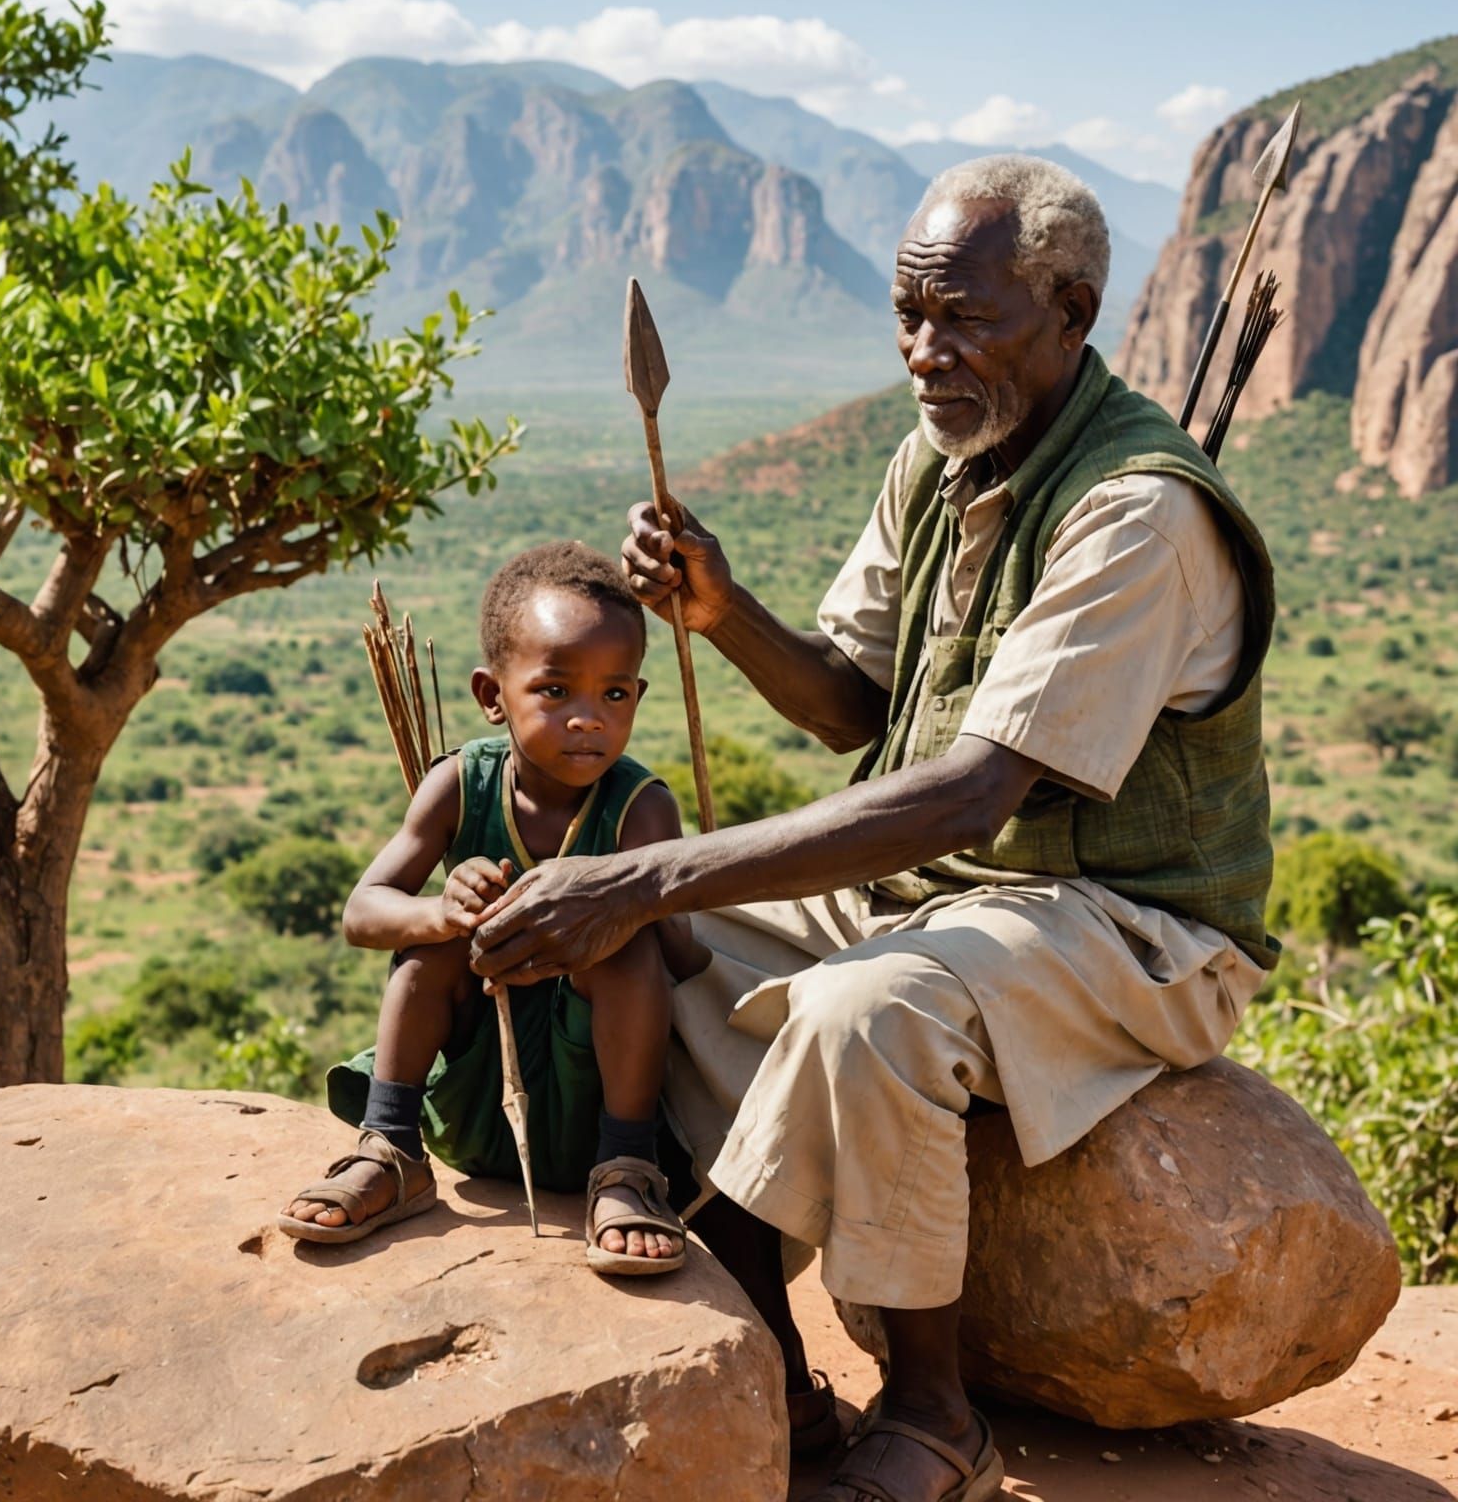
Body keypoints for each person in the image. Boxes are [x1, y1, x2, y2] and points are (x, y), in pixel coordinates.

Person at [465, 155, 1277, 1502]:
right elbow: (852, 709)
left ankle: (934, 1409)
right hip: (950, 892)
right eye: (907, 315)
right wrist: (721, 614)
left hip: (1134, 927)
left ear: (1072, 310)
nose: (924, 351)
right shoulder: (940, 456)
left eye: (963, 318)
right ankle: (771, 1349)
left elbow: (970, 792)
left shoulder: (1139, 513)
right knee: (655, 939)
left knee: (861, 1010)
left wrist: (644, 867)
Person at [278, 540, 701, 1274]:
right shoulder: (459, 786)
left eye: (615, 693)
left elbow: (684, 961)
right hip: (476, 1101)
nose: (587, 719)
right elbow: (363, 913)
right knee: (430, 944)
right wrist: (447, 911)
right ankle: (391, 1149)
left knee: (627, 947)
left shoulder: (642, 809)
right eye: (555, 690)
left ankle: (633, 1174)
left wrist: (617, 918)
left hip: (595, 1114)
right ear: (491, 696)